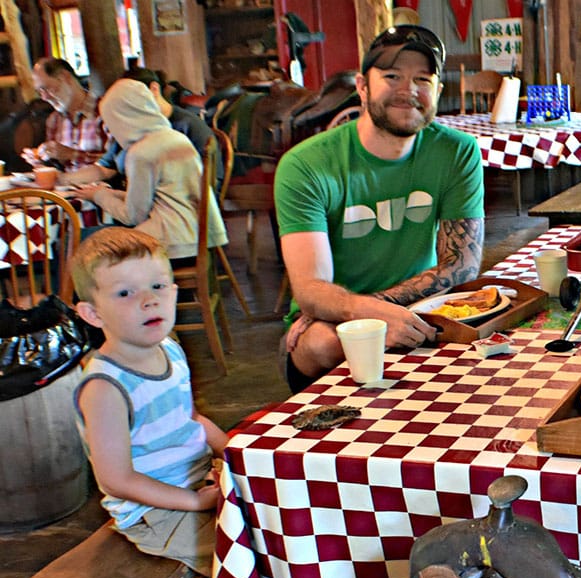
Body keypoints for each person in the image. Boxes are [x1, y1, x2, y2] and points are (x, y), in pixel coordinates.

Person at [275, 25, 485, 393]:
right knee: (324, 342)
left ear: (437, 91)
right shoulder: (306, 164)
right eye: (392, 76)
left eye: (423, 78)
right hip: (331, 325)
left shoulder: (457, 151)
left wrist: (379, 307)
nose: (408, 91)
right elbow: (311, 291)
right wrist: (364, 314)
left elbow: (461, 263)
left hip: (421, 310)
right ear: (362, 86)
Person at [71, 227, 228, 578]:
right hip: (153, 511)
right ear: (93, 314)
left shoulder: (170, 348)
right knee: (240, 556)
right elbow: (117, 479)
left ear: (173, 291)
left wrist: (236, 454)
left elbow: (191, 420)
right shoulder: (106, 386)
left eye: (157, 286)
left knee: (279, 520)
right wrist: (194, 502)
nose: (148, 300)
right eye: (125, 292)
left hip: (200, 479)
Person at [73, 78, 227, 263]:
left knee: (81, 241)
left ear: (123, 119)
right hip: (200, 238)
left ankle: (68, 293)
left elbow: (133, 215)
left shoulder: (141, 153)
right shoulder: (176, 137)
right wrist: (107, 193)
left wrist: (99, 197)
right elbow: (157, 198)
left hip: (171, 246)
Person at [59, 67, 223, 191]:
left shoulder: (189, 127)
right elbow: (104, 168)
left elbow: (211, 182)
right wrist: (63, 179)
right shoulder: (131, 130)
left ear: (154, 89)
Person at [21, 57, 108, 171]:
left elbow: (116, 163)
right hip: (65, 186)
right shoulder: (54, 120)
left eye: (46, 88)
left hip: (101, 186)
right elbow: (58, 169)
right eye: (40, 92)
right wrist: (41, 160)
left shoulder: (104, 111)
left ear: (65, 77)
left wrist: (72, 154)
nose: (44, 97)